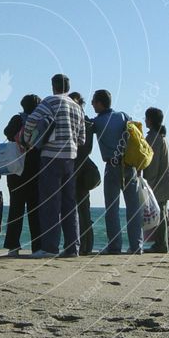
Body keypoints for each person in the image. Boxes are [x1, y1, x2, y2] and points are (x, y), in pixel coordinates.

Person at [22, 74, 85, 258]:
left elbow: (31, 120)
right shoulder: (77, 107)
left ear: (53, 86)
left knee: (50, 203)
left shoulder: (50, 102)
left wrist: (28, 140)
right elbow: (82, 138)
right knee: (69, 204)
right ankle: (73, 247)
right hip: (70, 158)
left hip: (50, 156)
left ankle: (49, 247)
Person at [91, 89, 143, 255]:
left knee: (112, 208)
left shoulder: (97, 122)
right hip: (130, 164)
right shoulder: (123, 116)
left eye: (93, 102)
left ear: (100, 103)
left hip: (112, 166)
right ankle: (136, 246)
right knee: (133, 207)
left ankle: (115, 246)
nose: (92, 104)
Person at [2, 94, 43, 256]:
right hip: (35, 170)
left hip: (16, 170)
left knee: (15, 209)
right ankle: (37, 246)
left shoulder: (17, 119)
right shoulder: (40, 121)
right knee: (35, 210)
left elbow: (7, 132)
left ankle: (13, 246)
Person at [142, 107, 169, 253]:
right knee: (162, 212)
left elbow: (152, 164)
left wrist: (147, 184)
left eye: (146, 118)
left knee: (161, 213)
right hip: (165, 181)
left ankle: (161, 244)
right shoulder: (161, 136)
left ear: (150, 120)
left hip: (159, 182)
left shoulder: (154, 138)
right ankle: (164, 243)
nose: (145, 120)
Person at [69, 92, 96, 256]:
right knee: (83, 209)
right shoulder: (87, 121)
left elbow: (85, 148)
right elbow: (87, 148)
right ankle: (84, 245)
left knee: (80, 209)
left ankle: (82, 245)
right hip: (81, 170)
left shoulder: (82, 121)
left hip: (75, 169)